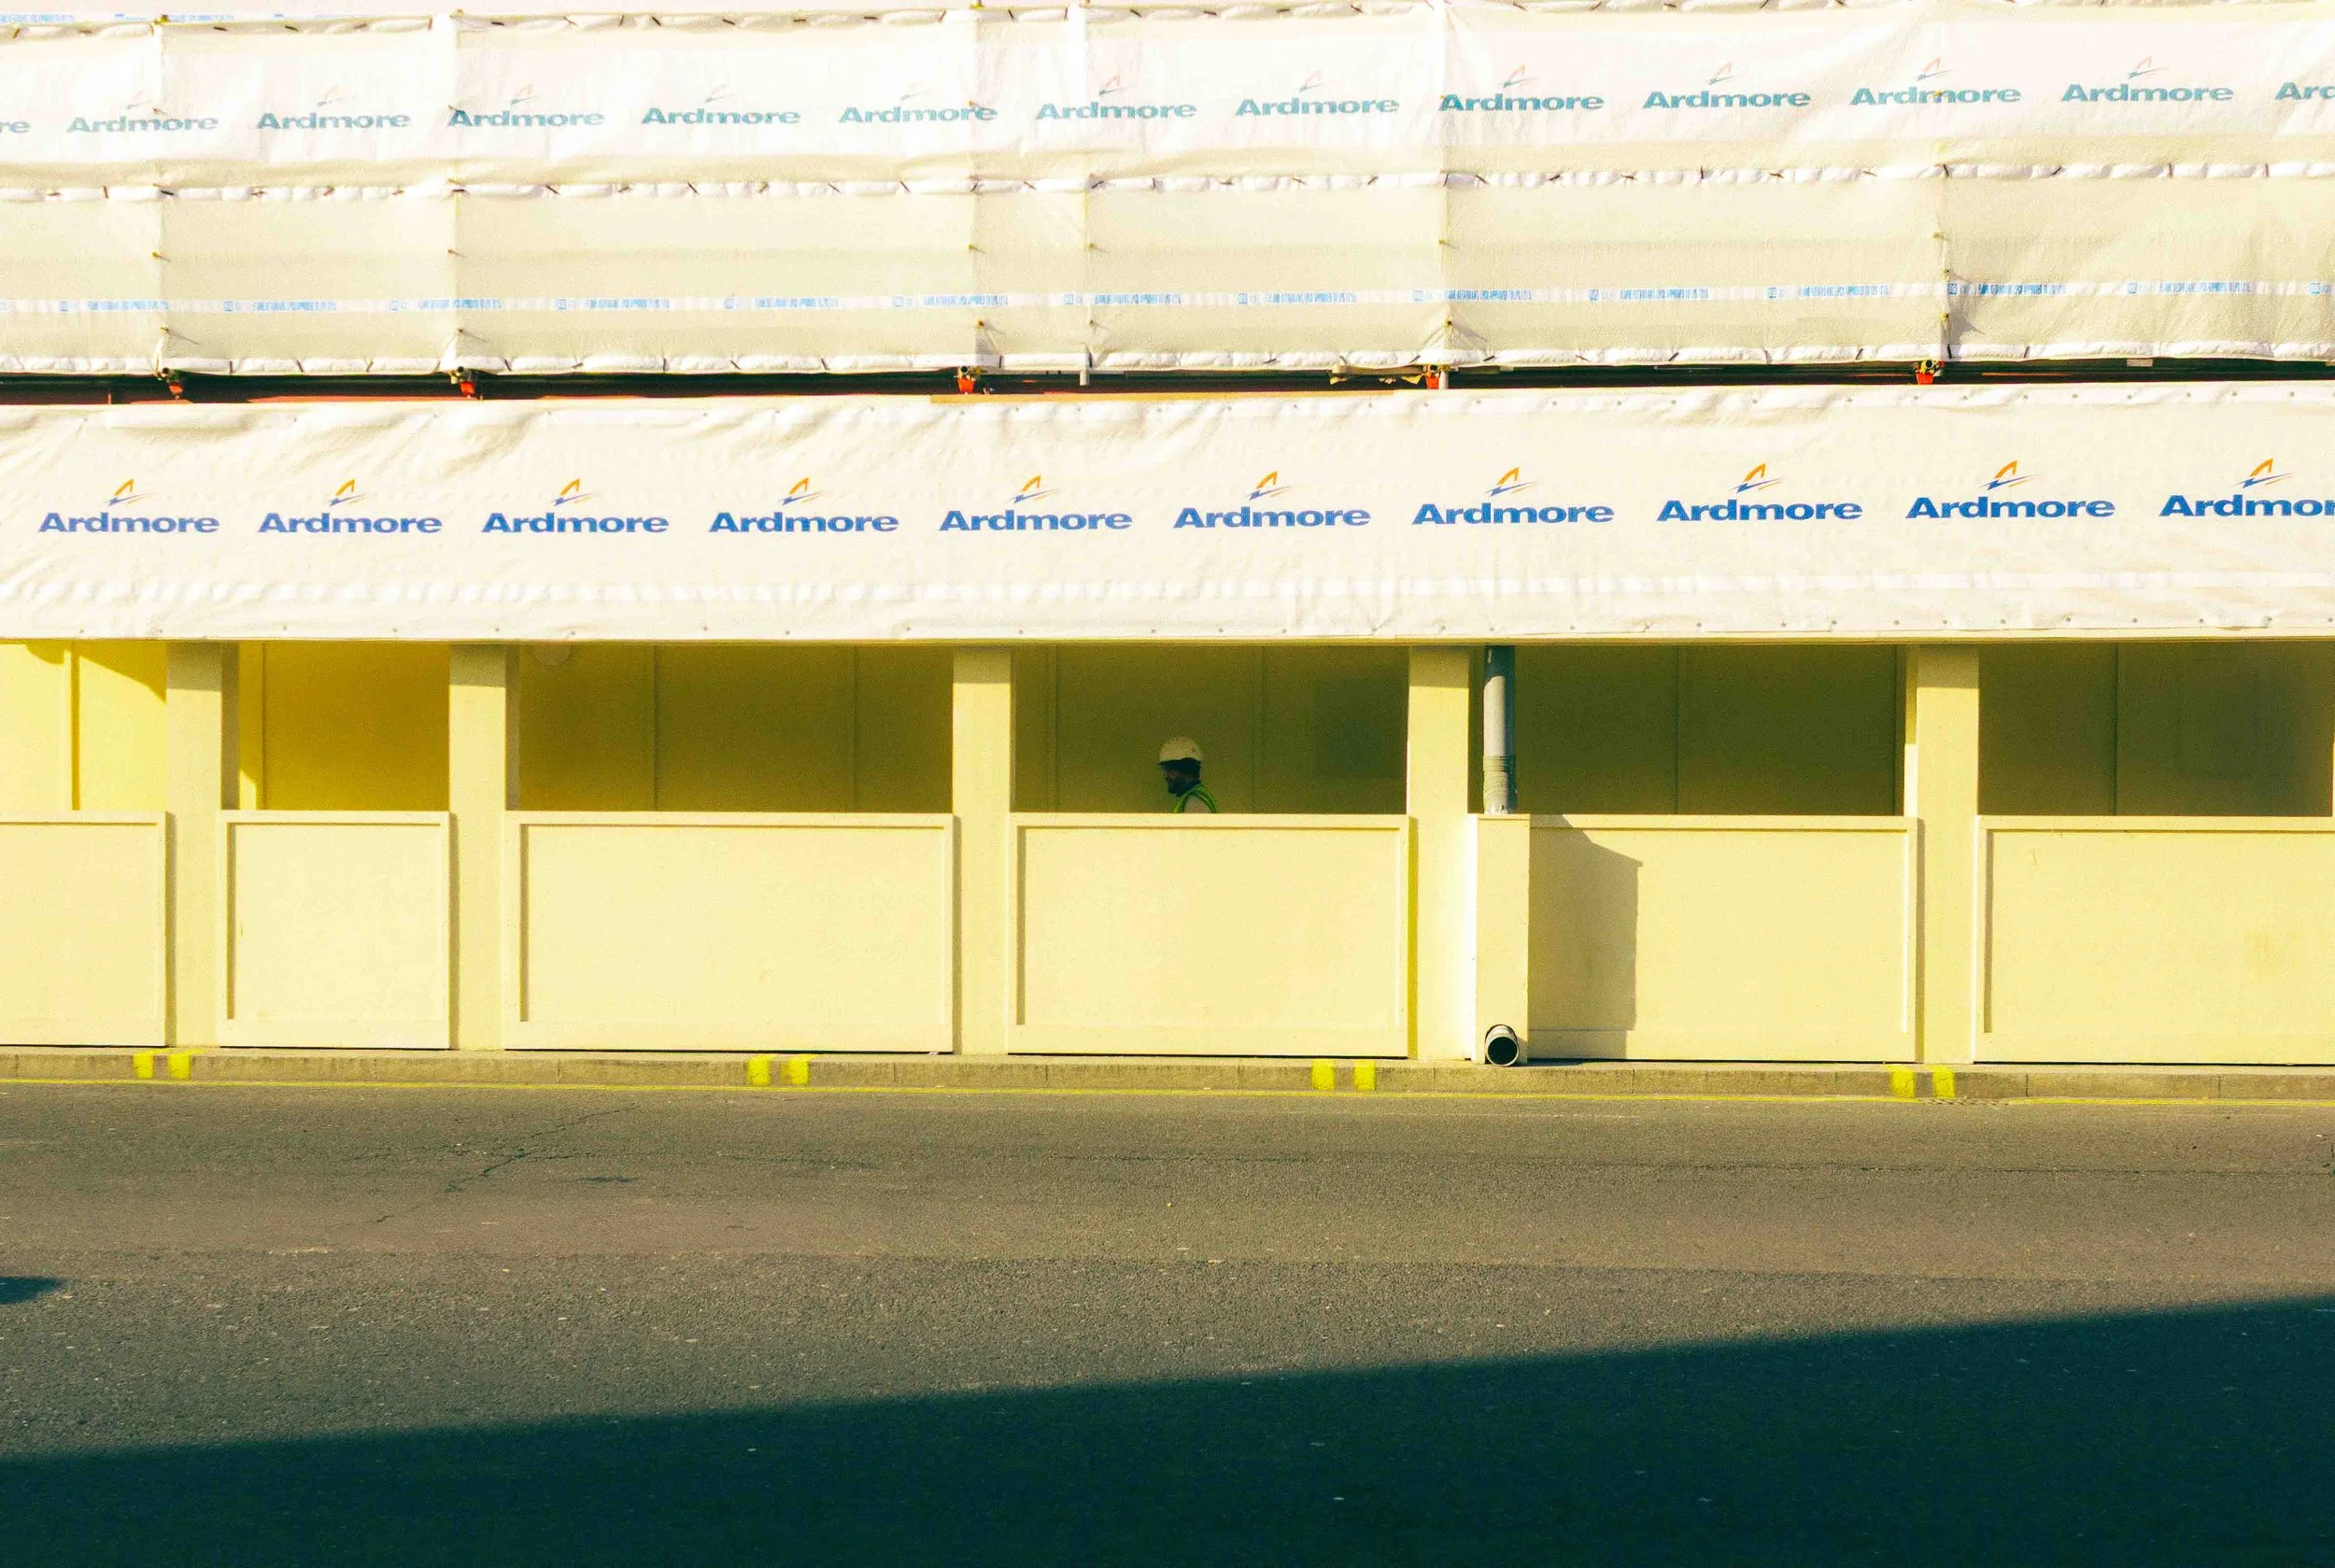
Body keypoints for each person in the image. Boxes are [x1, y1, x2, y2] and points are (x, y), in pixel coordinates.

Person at [1157, 737, 1217, 813]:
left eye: (1169, 770)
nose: (1165, 776)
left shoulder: (1195, 802)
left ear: (1186, 768)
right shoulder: (1194, 798)